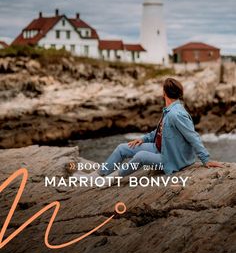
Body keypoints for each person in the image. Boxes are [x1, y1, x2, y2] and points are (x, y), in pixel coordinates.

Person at [74, 78, 222, 182]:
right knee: (122, 148)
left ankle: (111, 179)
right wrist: (143, 139)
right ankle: (97, 175)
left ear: (164, 93)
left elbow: (193, 136)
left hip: (172, 159)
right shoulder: (169, 110)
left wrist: (206, 159)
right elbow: (159, 132)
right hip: (161, 148)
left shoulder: (177, 114)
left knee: (141, 156)